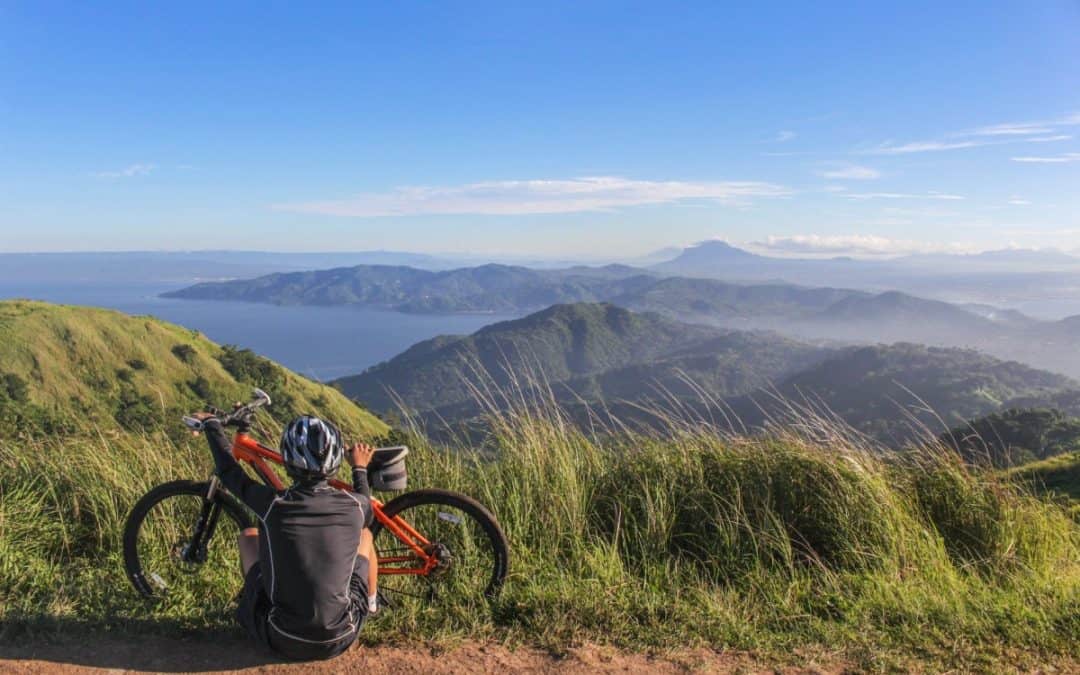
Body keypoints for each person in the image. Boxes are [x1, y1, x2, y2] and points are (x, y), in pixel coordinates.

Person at [192, 411, 379, 661]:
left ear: (288, 461)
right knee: (365, 535)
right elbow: (366, 503)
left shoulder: (272, 504)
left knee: (249, 537)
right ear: (335, 463)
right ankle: (372, 604)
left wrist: (212, 425)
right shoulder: (356, 506)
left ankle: (252, 603)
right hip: (341, 636)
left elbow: (228, 470)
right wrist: (359, 467)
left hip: (281, 637)